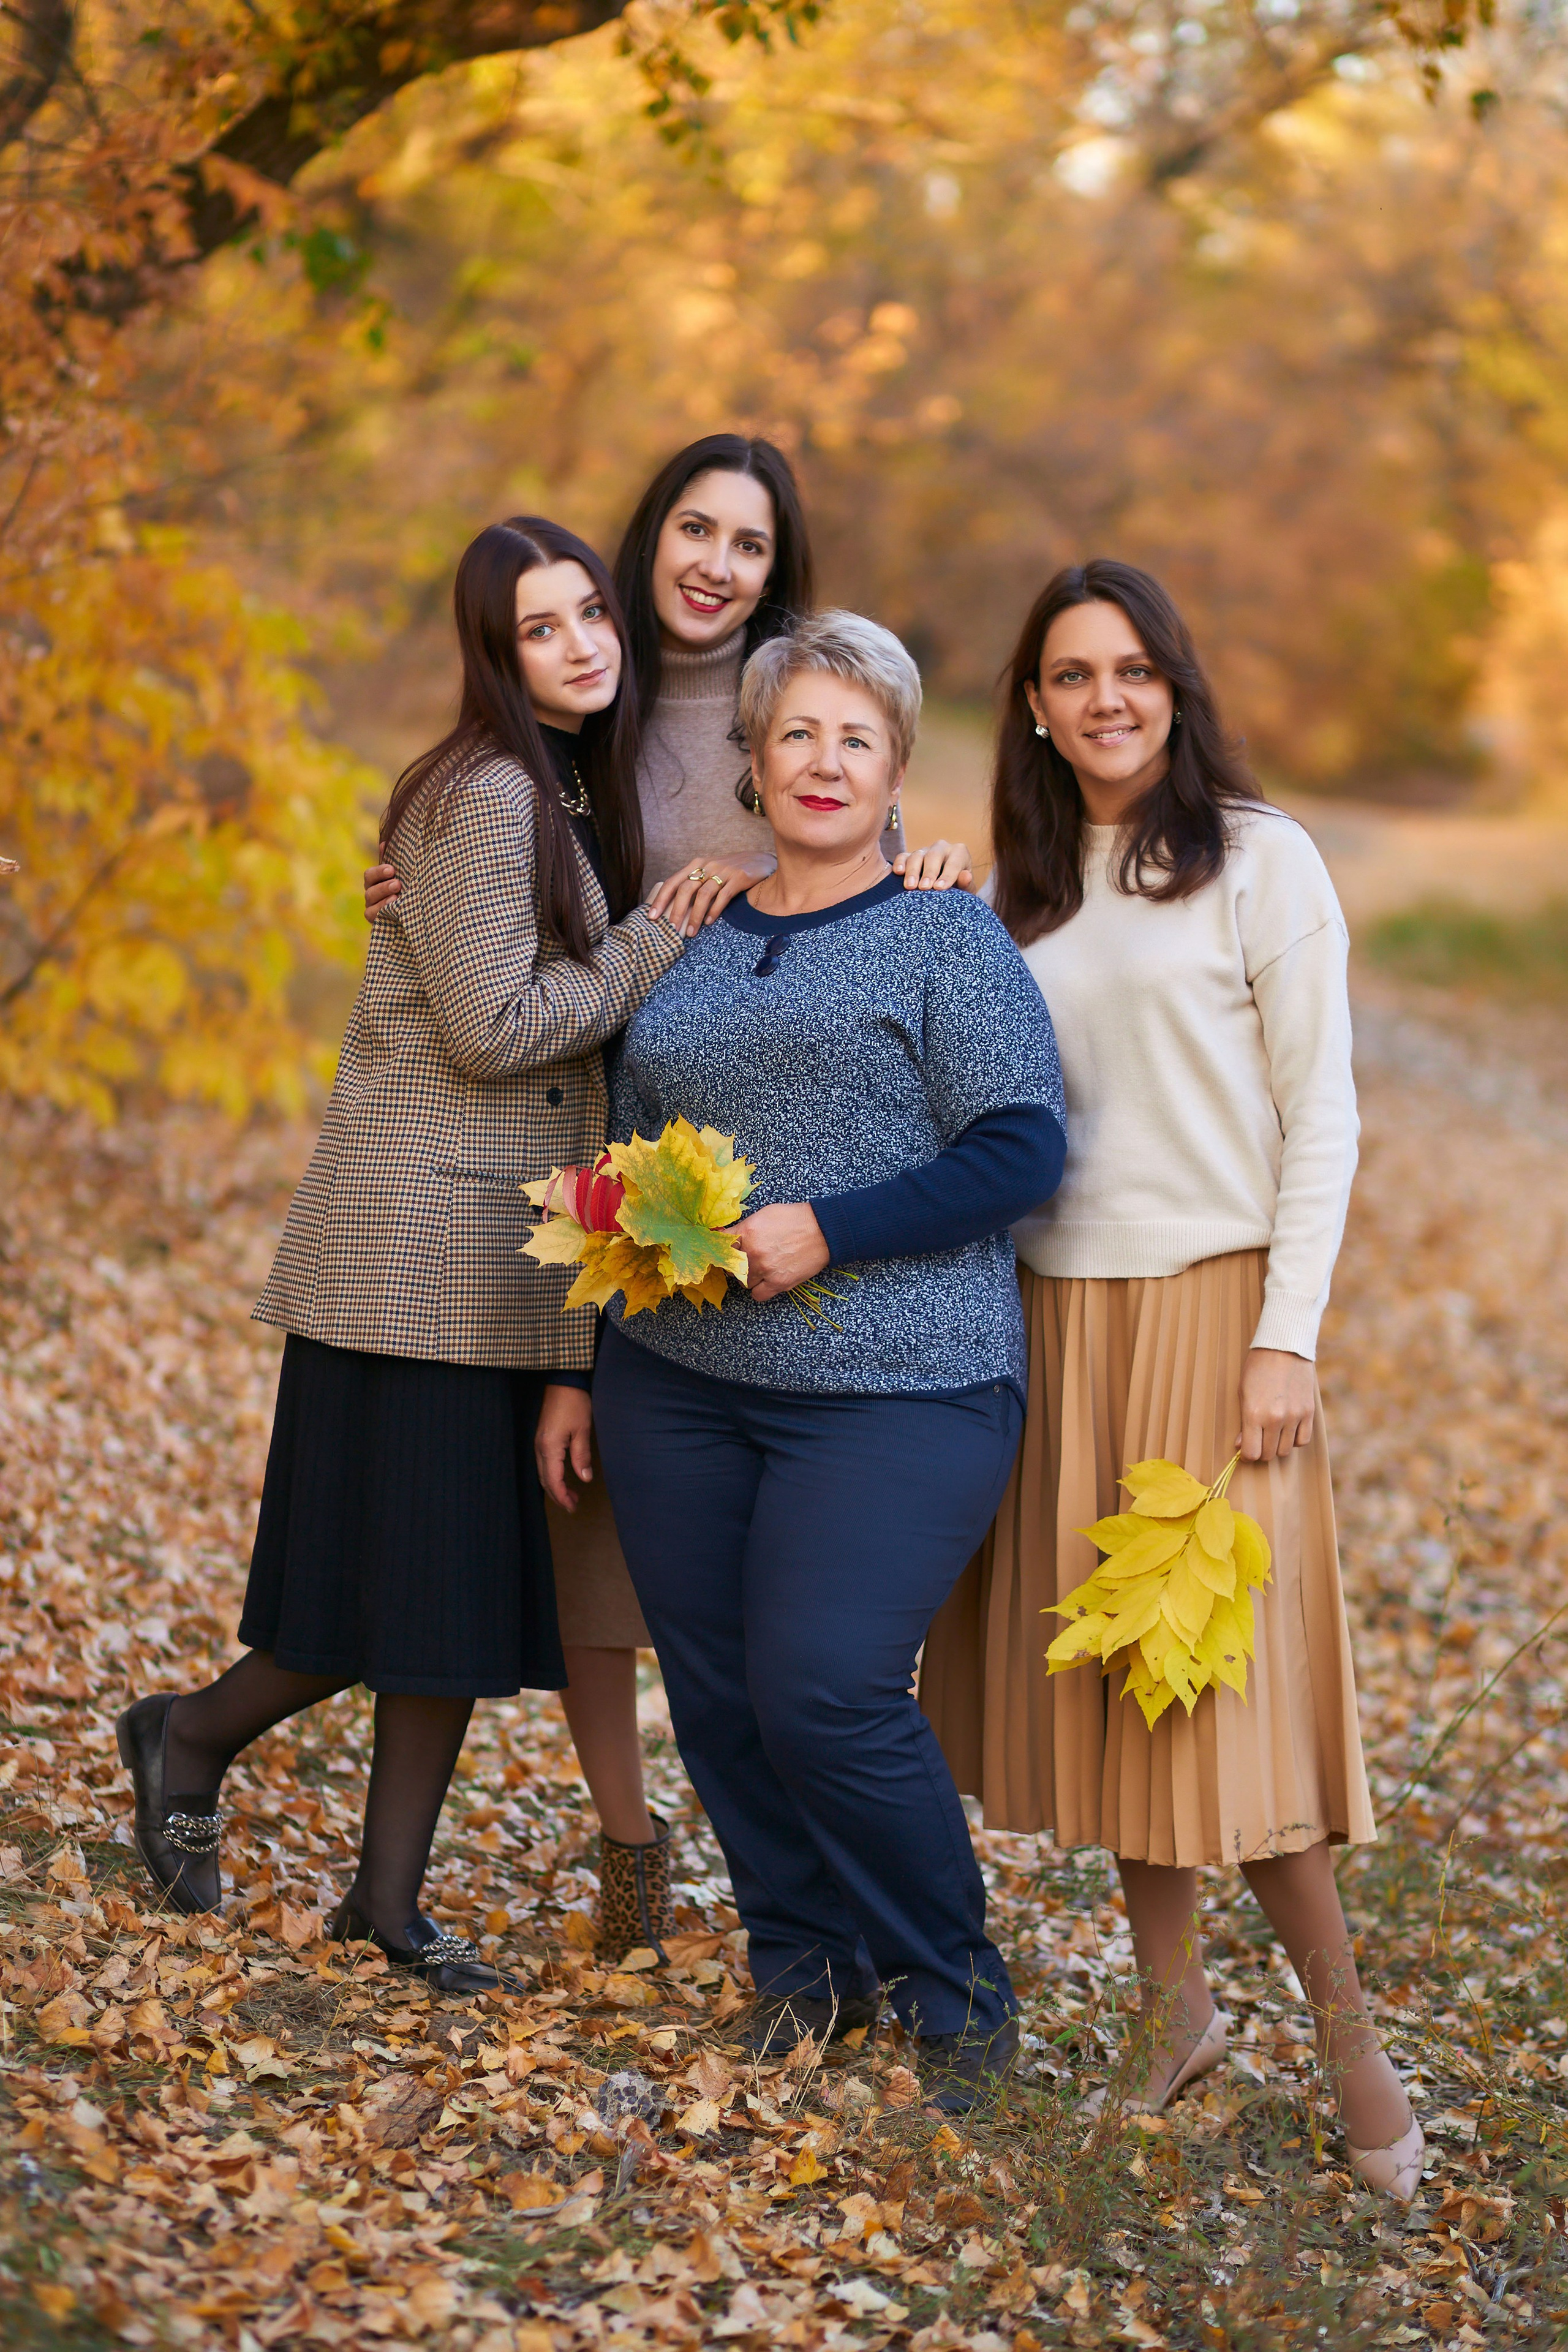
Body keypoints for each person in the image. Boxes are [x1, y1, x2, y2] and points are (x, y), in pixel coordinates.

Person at [362, 439, 974, 1963]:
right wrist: (399, 881)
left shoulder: (799, 702)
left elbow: (873, 866)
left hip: (769, 1162)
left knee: (753, 1579)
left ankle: (814, 1879)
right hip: (594, 1121)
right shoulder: (589, 692)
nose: (715, 564)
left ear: (779, 571)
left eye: (749, 544)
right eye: (695, 529)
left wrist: (936, 867)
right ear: (648, 541)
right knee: (591, 1528)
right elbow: (480, 865)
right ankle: (628, 1841)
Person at [115, 517, 720, 1993]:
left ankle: (385, 1907)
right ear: (492, 653)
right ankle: (184, 1734)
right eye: (540, 627)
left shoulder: (559, 784)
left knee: (440, 1605)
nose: (581, 643)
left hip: (498, 1267)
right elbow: (492, 1029)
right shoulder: (487, 790)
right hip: (413, 1255)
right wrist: (652, 941)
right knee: (366, 1598)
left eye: (591, 613)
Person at [918, 561, 1424, 2196]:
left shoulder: (1261, 862)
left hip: (1214, 1320)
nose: (1106, 699)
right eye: (1073, 674)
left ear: (1175, 686)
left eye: (1132, 668)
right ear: (1033, 706)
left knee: (1229, 1706)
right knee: (1126, 1686)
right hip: (1056, 1319)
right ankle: (1172, 2014)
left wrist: (1287, 1334)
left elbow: (1322, 1115)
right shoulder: (1017, 892)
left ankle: (1356, 2060)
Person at [570, 611, 1066, 2113]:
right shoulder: (689, 928)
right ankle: (804, 1966)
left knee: (824, 1689)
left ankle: (954, 1997)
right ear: (753, 758)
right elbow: (616, 1154)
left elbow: (1019, 1150)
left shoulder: (943, 932)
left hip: (896, 1387)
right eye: (797, 733)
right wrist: (578, 1365)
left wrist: (828, 1230)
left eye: (857, 737)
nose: (825, 761)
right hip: (674, 1379)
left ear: (897, 769)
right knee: (719, 1697)